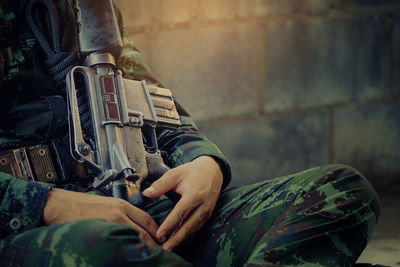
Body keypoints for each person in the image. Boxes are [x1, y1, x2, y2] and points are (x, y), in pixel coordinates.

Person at [0, 0, 380, 266]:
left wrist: (203, 163)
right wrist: (49, 204)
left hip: (145, 211)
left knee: (339, 190)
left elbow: (159, 110)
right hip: (40, 234)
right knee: (108, 250)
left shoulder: (86, 8)